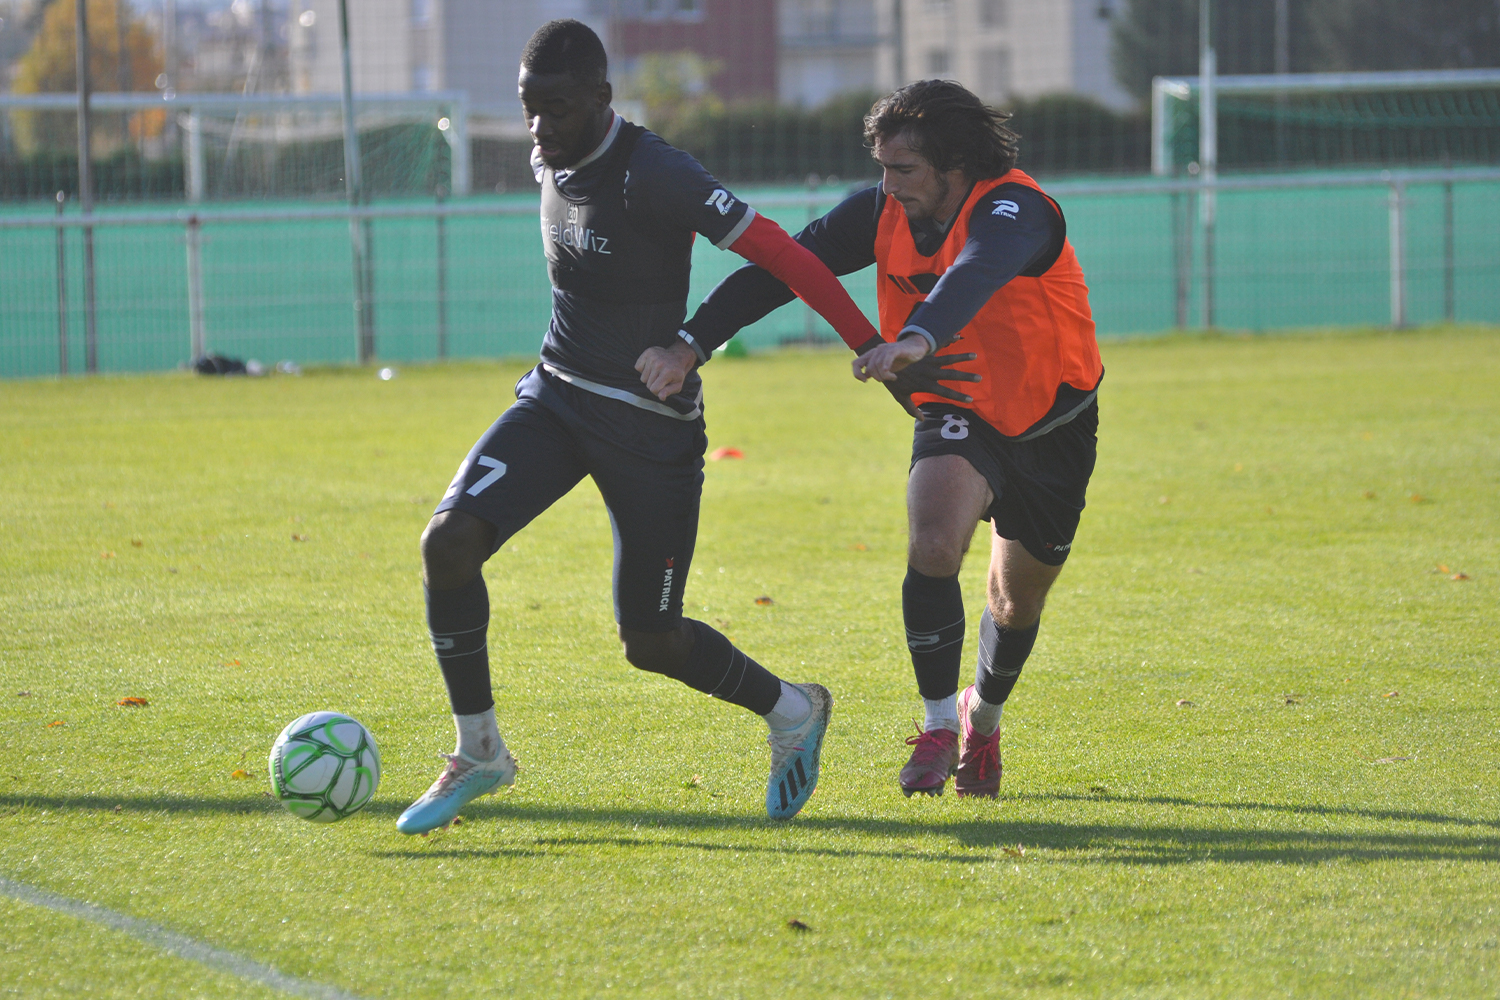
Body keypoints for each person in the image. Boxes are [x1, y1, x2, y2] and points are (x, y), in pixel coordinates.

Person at [395, 20, 891, 834]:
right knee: (447, 544)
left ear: (602, 97)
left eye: (557, 109)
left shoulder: (655, 173)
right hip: (554, 400)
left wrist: (854, 340)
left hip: (648, 433)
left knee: (650, 640)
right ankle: (479, 752)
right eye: (530, 110)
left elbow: (784, 255)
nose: (541, 128)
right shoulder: (547, 152)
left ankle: (793, 709)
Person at [678, 80, 1103, 799]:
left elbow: (979, 269)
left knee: (1015, 603)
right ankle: (937, 725)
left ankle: (982, 719)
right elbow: (790, 268)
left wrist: (916, 336)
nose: (887, 186)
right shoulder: (883, 211)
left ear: (956, 165)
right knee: (934, 543)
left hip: (1053, 424)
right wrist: (694, 341)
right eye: (881, 168)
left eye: (902, 170)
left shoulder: (1016, 208)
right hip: (955, 405)